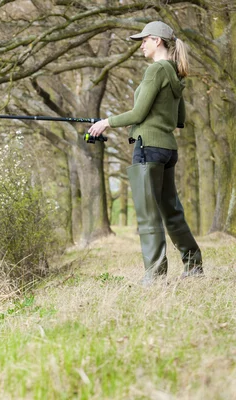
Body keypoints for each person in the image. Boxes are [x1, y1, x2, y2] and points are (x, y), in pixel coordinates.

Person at [88, 21, 203, 285]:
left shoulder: (155, 71)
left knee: (148, 214)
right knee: (171, 212)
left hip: (148, 148)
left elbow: (138, 113)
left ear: (157, 41)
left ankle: (154, 275)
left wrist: (106, 122)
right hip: (167, 149)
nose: (141, 45)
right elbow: (179, 118)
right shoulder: (175, 73)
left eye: (144, 40)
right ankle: (194, 265)